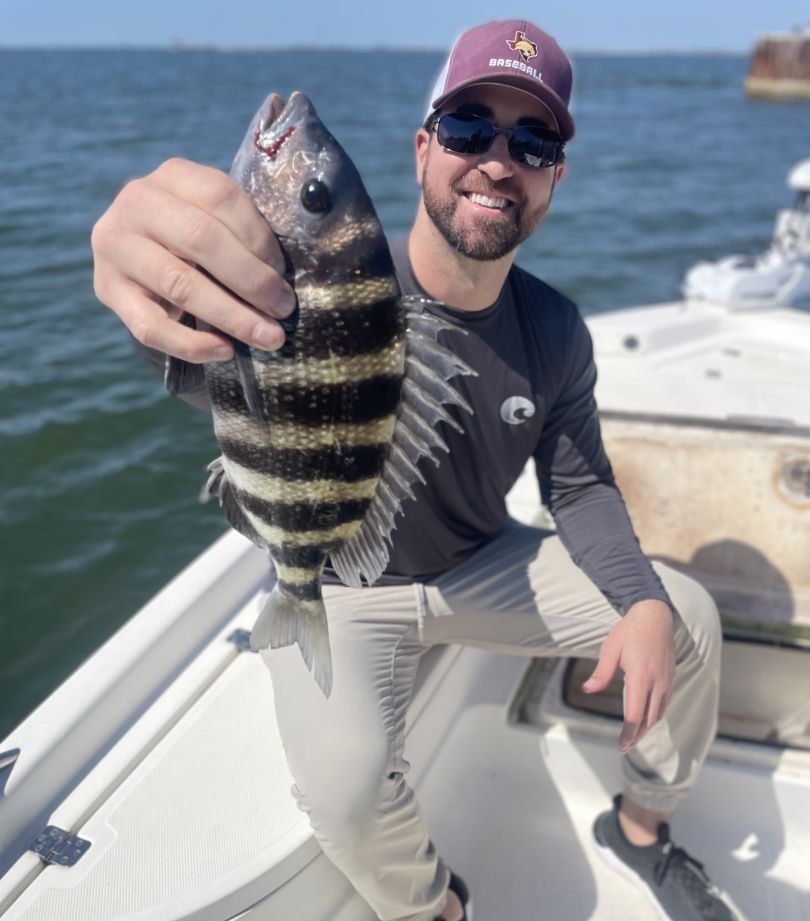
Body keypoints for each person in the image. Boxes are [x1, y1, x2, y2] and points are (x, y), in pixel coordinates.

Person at [91, 18, 738, 921]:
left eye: (534, 141)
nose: (498, 161)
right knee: (346, 793)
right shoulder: (311, 286)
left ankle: (637, 827)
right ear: (424, 148)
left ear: (554, 174)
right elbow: (204, 353)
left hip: (480, 560)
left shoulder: (554, 330)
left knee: (688, 617)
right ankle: (437, 907)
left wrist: (636, 599)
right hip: (340, 584)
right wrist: (151, 276)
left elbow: (579, 485)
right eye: (471, 130)